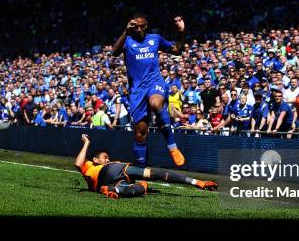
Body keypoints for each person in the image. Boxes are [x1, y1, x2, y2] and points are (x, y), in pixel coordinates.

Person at [111, 14, 187, 167]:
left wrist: (181, 32)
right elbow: (114, 52)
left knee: (156, 103)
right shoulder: (127, 40)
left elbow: (176, 49)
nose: (139, 29)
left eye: (142, 26)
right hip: (137, 90)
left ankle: (172, 147)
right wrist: (126, 31)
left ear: (147, 25)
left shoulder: (155, 39)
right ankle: (141, 173)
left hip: (154, 82)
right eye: (135, 26)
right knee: (140, 134)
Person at [74, 134, 216, 199]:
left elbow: (78, 164)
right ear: (95, 159)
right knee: (155, 173)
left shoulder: (90, 169)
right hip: (115, 170)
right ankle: (197, 182)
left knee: (140, 187)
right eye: (105, 157)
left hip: (105, 184)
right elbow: (78, 163)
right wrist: (86, 143)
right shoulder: (92, 165)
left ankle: (115, 190)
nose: (108, 158)